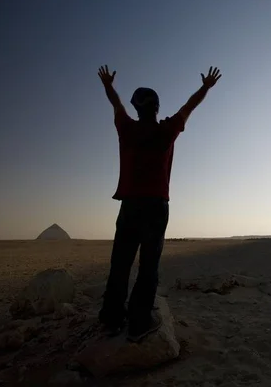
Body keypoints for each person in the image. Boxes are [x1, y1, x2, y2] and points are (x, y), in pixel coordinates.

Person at [97, 64, 222, 342]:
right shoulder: (167, 130)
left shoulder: (126, 129)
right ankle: (140, 322)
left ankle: (111, 319)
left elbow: (116, 104)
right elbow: (189, 107)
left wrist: (108, 84)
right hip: (156, 206)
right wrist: (206, 87)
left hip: (129, 205)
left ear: (137, 108)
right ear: (156, 108)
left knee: (120, 264)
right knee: (148, 265)